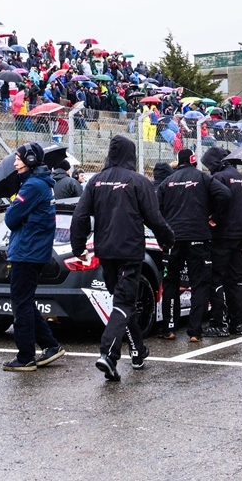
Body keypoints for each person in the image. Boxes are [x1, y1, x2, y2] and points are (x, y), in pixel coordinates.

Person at [70, 136, 174, 381]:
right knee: (124, 304)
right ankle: (108, 354)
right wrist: (168, 240)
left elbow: (80, 216)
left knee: (121, 303)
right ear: (131, 154)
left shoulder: (95, 181)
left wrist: (78, 247)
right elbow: (154, 218)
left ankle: (138, 351)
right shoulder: (138, 181)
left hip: (105, 252)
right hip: (129, 252)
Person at [2, 142, 66, 372]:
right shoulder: (39, 184)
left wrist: (12, 207)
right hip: (33, 251)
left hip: (27, 252)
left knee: (21, 304)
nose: (15, 162)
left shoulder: (32, 186)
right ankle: (50, 345)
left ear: (30, 160)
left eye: (18, 158)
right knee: (25, 301)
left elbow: (10, 220)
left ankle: (26, 356)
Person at [157, 149, 229, 342]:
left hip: (173, 238)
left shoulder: (167, 182)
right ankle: (195, 332)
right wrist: (214, 216)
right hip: (199, 237)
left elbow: (156, 209)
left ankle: (169, 328)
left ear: (178, 163)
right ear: (194, 162)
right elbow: (225, 194)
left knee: (171, 281)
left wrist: (163, 234)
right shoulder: (203, 178)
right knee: (200, 283)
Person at [201, 147, 242, 337]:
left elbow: (219, 200)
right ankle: (238, 323)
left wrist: (214, 217)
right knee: (237, 279)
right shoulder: (241, 177)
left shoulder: (220, 178)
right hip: (241, 234)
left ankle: (218, 323)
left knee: (217, 278)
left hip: (222, 235)